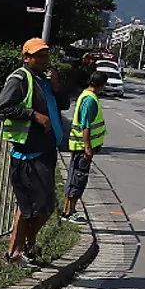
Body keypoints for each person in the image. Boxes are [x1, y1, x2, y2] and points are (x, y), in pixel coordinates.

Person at [0, 38, 64, 264]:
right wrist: (34, 115)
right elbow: (3, 106)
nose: (44, 60)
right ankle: (17, 250)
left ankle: (24, 246)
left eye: (46, 55)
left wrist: (56, 86)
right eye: (38, 56)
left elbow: (61, 104)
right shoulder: (19, 78)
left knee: (38, 205)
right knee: (35, 206)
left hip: (45, 149)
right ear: (26, 57)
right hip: (28, 152)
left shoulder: (42, 79)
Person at [62, 70, 106, 223]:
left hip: (79, 146)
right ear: (101, 85)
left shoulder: (85, 95)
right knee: (78, 180)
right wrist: (88, 147)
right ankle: (70, 212)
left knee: (74, 177)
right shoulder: (90, 100)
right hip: (82, 147)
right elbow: (85, 126)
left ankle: (67, 210)